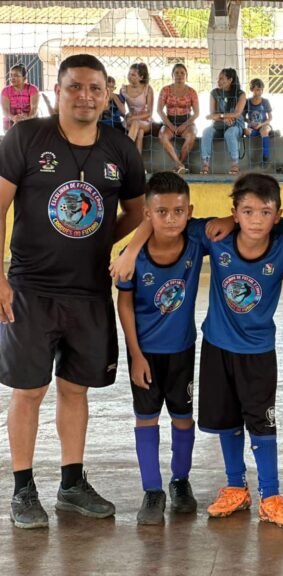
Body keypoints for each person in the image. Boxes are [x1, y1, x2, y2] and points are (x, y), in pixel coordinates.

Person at [0, 53, 145, 530]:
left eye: (95, 89)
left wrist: (108, 243)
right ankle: (23, 489)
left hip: (88, 291)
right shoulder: (25, 138)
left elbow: (139, 213)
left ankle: (71, 484)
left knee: (75, 388)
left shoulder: (120, 148)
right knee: (29, 390)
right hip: (30, 288)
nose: (85, 96)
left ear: (107, 94)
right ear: (56, 92)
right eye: (74, 87)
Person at [196, 172, 283, 528]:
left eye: (265, 212)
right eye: (246, 212)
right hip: (217, 346)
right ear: (234, 212)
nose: (256, 220)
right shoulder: (217, 239)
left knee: (262, 424)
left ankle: (271, 494)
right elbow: (169, 222)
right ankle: (235, 486)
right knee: (226, 421)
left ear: (277, 215)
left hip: (259, 351)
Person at [115, 172, 205, 525]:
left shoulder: (196, 240)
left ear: (190, 211)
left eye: (179, 211)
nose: (171, 219)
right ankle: (152, 490)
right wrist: (135, 355)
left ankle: (180, 481)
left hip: (181, 349)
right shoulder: (130, 258)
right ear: (148, 215)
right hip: (145, 353)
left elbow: (231, 223)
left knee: (183, 418)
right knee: (146, 417)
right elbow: (124, 305)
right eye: (162, 212)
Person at [200, 68, 246, 176]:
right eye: (218, 79)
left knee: (230, 133)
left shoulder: (240, 94)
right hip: (219, 125)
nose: (218, 81)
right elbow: (212, 114)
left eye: (221, 79)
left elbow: (237, 113)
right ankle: (205, 163)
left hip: (236, 125)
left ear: (230, 80)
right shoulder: (214, 93)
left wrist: (221, 116)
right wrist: (223, 119)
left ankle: (235, 163)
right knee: (206, 132)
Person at [157, 63, 199, 175]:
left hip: (187, 122)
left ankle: (179, 165)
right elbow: (159, 110)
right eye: (176, 73)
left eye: (182, 73)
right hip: (169, 121)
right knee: (162, 135)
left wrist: (184, 125)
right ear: (172, 75)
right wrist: (170, 126)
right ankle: (179, 165)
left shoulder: (192, 91)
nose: (179, 75)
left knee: (191, 136)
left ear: (186, 76)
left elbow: (197, 113)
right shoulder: (165, 90)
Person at [121, 62, 154, 156]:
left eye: (133, 75)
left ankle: (125, 152)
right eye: (129, 74)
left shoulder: (148, 89)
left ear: (141, 77)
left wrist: (134, 118)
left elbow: (149, 113)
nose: (129, 76)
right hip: (130, 119)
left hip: (145, 120)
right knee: (139, 133)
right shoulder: (123, 89)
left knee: (138, 127)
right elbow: (122, 109)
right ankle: (138, 164)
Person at [244, 78, 274, 164]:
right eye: (257, 89)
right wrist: (250, 122)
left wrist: (261, 124)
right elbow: (242, 116)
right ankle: (250, 161)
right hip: (252, 127)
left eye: (261, 90)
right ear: (252, 89)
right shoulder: (247, 102)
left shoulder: (265, 101)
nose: (260, 92)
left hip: (263, 125)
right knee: (246, 131)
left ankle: (265, 157)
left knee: (264, 131)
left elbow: (270, 118)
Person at [2, 64, 39, 132]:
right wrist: (14, 118)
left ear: (24, 78)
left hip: (29, 120)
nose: (12, 78)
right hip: (10, 122)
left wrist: (27, 118)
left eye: (16, 76)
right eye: (11, 75)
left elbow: (34, 109)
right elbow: (5, 110)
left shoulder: (33, 89)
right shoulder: (5, 91)